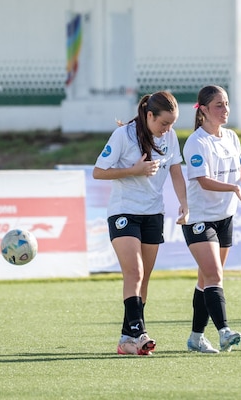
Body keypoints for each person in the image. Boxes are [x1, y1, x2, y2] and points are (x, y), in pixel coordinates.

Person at [92, 91, 189, 356]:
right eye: (163, 123)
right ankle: (139, 330)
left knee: (143, 277)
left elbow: (176, 170)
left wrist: (184, 202)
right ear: (149, 115)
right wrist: (134, 170)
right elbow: (98, 172)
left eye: (171, 124)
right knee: (133, 272)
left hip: (153, 213)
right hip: (124, 211)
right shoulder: (123, 135)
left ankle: (127, 339)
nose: (167, 129)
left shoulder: (169, 137)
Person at [182, 85, 241, 354]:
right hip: (200, 219)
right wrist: (233, 187)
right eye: (218, 105)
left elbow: (237, 170)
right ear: (203, 110)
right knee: (214, 275)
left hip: (225, 217)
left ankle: (195, 337)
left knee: (207, 280)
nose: (225, 109)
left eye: (226, 104)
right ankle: (224, 332)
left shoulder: (231, 137)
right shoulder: (196, 142)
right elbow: (203, 181)